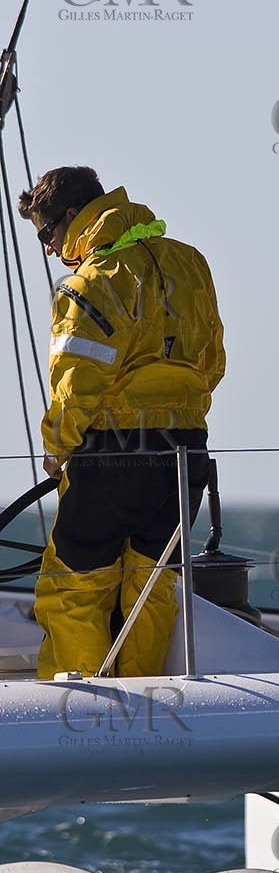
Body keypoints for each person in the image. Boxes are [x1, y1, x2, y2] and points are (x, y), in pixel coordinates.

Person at [18, 166, 225, 679]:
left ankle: (79, 714)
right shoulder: (189, 263)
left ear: (73, 216)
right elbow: (213, 363)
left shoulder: (90, 283)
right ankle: (144, 707)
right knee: (150, 589)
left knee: (73, 590)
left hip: (111, 451)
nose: (48, 248)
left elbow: (75, 382)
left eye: (48, 233)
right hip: (185, 450)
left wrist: (57, 449)